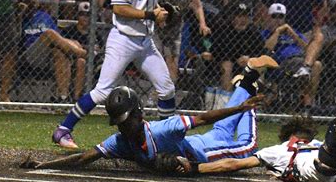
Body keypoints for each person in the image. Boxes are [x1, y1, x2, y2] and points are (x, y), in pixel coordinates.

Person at [21, 55, 279, 169]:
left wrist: (241, 108)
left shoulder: (162, 128)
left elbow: (203, 118)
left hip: (205, 154)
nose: (123, 128)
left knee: (248, 146)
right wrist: (44, 165)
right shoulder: (120, 142)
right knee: (223, 130)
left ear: (139, 115)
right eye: (119, 123)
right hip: (200, 143)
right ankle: (246, 80)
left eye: (125, 121)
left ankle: (246, 86)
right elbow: (83, 158)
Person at [52, 0, 175, 149]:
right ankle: (63, 130)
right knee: (102, 92)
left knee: (167, 89)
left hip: (145, 40)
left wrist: (161, 13)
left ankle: (164, 139)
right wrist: (150, 15)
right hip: (123, 39)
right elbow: (118, 8)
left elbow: (148, 4)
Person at [186, 94, 336, 182]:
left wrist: (195, 168)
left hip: (312, 165)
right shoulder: (315, 142)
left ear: (288, 136)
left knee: (326, 165)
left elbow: (232, 164)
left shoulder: (279, 149)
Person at [18, 0, 87, 103]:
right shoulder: (19, 16)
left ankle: (66, 99)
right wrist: (20, 13)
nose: (33, 1)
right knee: (49, 33)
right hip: (30, 56)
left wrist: (72, 43)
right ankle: (83, 52)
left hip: (49, 56)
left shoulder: (45, 16)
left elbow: (59, 39)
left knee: (68, 54)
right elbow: (14, 37)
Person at [157, 0, 211, 82]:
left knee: (173, 58)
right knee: (157, 57)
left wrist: (202, 24)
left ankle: (169, 90)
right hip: (159, 22)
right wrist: (158, 16)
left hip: (176, 24)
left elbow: (197, 4)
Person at [262, 3, 324, 106]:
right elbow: (266, 50)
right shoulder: (265, 33)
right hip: (282, 65)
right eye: (274, 16)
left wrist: (293, 34)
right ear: (268, 18)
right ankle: (305, 70)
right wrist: (277, 32)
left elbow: (308, 50)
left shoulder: (293, 32)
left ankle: (308, 106)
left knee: (317, 64)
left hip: (301, 60)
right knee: (313, 66)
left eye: (281, 17)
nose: (278, 20)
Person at [210, 2, 265, 92]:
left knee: (258, 66)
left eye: (246, 17)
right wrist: (235, 58)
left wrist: (249, 58)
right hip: (225, 63)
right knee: (227, 66)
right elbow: (217, 51)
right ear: (232, 18)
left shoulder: (253, 31)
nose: (243, 20)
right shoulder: (224, 29)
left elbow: (261, 51)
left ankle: (253, 100)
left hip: (247, 63)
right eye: (239, 17)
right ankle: (227, 99)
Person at [59, 2, 102, 101]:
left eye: (88, 15)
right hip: (70, 61)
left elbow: (99, 51)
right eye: (82, 14)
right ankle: (75, 98)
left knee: (82, 62)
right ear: (77, 16)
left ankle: (76, 98)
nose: (85, 18)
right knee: (80, 61)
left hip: (92, 63)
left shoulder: (95, 34)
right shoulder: (69, 31)